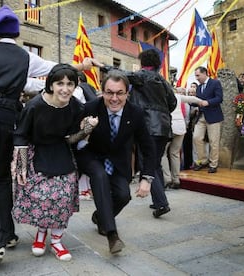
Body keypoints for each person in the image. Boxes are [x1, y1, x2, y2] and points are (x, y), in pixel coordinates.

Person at [0, 5, 102, 268]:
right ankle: (8, 234)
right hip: (9, 119)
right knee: (3, 178)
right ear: (17, 33)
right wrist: (83, 64)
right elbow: (57, 70)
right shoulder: (26, 56)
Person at [12, 63, 98, 261]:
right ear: (51, 84)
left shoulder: (76, 105)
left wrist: (87, 128)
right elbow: (20, 135)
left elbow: (72, 138)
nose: (65, 89)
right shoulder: (34, 106)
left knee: (63, 198)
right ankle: (41, 235)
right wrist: (21, 166)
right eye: (60, 83)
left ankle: (57, 241)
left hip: (61, 153)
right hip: (36, 153)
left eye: (70, 84)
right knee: (43, 199)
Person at [75, 70, 155, 254]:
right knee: (100, 176)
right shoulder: (90, 108)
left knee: (123, 195)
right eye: (109, 92)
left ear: (127, 93)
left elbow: (148, 147)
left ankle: (100, 218)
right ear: (102, 92)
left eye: (120, 93)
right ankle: (112, 234)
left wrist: (147, 178)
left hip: (118, 161)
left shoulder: (135, 113)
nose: (114, 98)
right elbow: (73, 136)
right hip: (91, 156)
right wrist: (84, 132)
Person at [128, 48, 176, 217]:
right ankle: (157, 200)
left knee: (148, 164)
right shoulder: (163, 81)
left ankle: (162, 203)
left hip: (148, 126)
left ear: (143, 62)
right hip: (163, 127)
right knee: (155, 163)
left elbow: (119, 74)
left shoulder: (143, 76)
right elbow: (173, 103)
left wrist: (100, 65)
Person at [162, 87, 202, 188]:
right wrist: (202, 102)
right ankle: (176, 179)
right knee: (175, 153)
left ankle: (167, 179)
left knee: (163, 154)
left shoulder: (160, 97)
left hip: (168, 128)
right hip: (180, 127)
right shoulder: (177, 96)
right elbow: (192, 99)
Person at [193, 66, 223, 173]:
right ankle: (203, 160)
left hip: (213, 116)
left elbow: (219, 98)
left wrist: (208, 102)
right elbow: (197, 100)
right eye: (195, 76)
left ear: (205, 73)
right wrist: (189, 99)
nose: (196, 78)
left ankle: (213, 164)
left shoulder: (215, 83)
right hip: (201, 117)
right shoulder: (199, 87)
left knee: (213, 141)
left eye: (198, 75)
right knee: (196, 137)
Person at [72, 71, 98, 200]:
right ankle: (88, 189)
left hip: (81, 128)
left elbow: (72, 103)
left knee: (79, 158)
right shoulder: (92, 89)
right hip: (92, 127)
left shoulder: (79, 89)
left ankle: (83, 191)